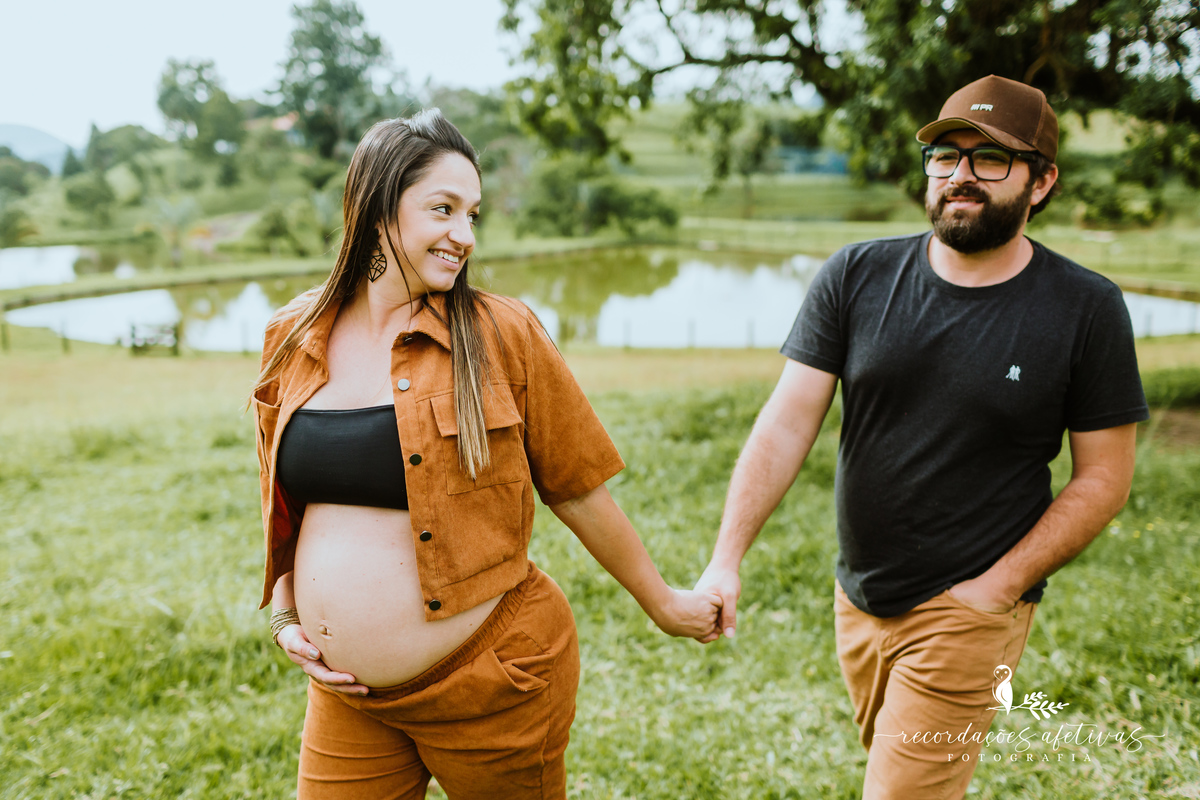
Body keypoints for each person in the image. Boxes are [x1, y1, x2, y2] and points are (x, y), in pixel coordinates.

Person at [693, 75, 1148, 798]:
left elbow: (1105, 478)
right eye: (945, 155)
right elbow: (786, 422)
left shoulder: (1085, 308)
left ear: (1041, 181)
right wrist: (726, 558)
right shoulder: (856, 275)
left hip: (970, 610)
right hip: (859, 598)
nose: (960, 174)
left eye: (990, 158)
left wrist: (996, 590)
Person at [250, 109, 721, 800]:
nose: (464, 236)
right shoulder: (294, 334)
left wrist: (665, 604)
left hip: (493, 684)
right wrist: (287, 612)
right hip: (349, 700)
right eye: (443, 209)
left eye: (472, 215)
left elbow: (578, 489)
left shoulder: (502, 333)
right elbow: (285, 497)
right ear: (378, 209)